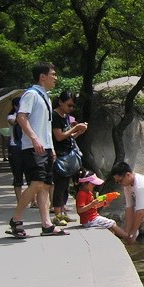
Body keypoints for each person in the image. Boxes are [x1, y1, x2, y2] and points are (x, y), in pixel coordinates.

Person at [7, 62, 67, 238]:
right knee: (38, 183)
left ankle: (46, 224)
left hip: (45, 147)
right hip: (33, 148)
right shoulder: (31, 94)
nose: (55, 78)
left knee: (45, 185)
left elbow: (45, 127)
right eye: (53, 74)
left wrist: (51, 148)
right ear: (43, 76)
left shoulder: (45, 97)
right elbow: (21, 117)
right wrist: (34, 138)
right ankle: (16, 218)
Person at [51, 91, 88, 225]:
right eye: (69, 105)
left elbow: (69, 138)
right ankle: (57, 215)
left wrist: (78, 131)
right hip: (60, 155)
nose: (71, 108)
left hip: (68, 153)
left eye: (73, 106)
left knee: (66, 186)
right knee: (59, 186)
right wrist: (75, 128)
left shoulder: (65, 116)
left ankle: (62, 213)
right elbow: (59, 136)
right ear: (61, 102)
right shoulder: (54, 116)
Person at [75, 170, 129, 239]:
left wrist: (103, 204)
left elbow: (93, 207)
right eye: (93, 184)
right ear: (85, 183)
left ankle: (115, 238)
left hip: (92, 218)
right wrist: (91, 204)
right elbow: (79, 210)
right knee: (112, 223)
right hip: (89, 220)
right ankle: (127, 237)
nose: (94, 186)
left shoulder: (89, 192)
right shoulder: (82, 194)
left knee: (109, 227)